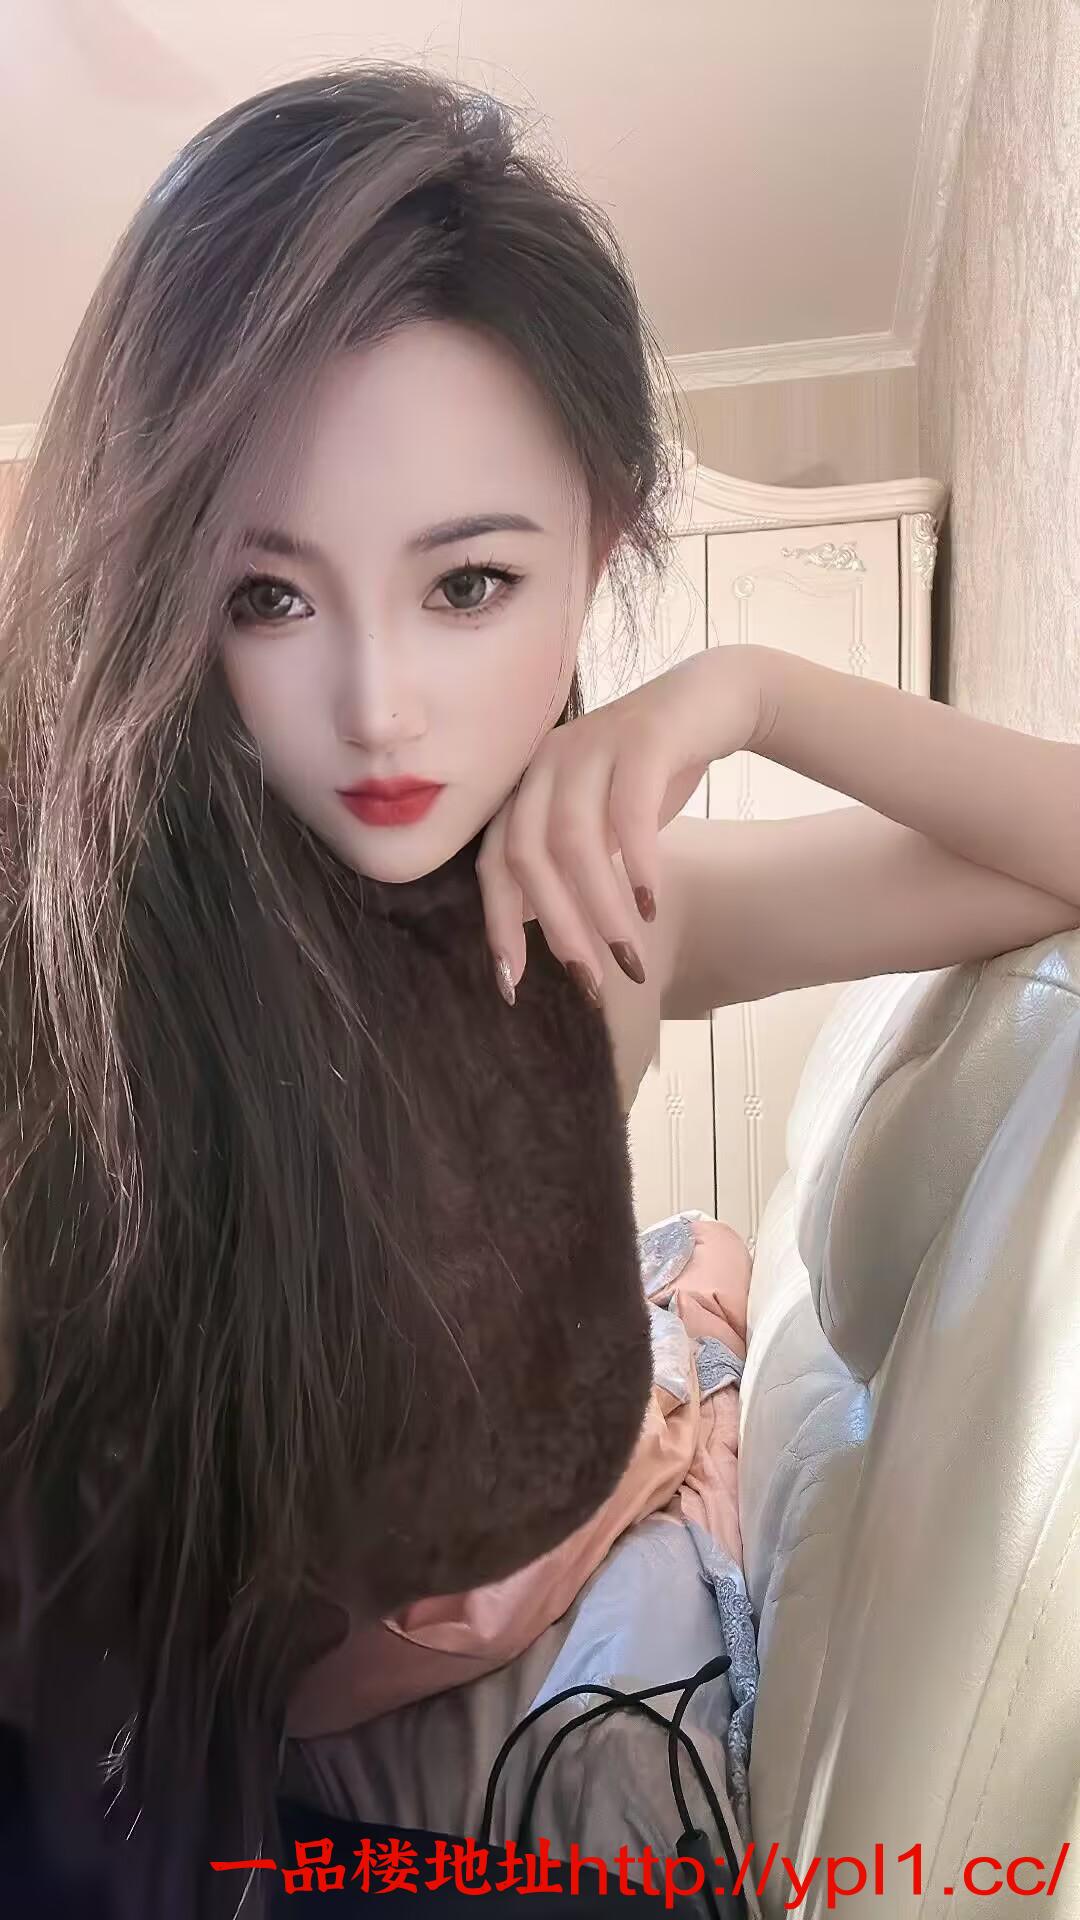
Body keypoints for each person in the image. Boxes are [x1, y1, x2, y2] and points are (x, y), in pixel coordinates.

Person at [0, 61, 1077, 1920]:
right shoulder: (83, 973)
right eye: (266, 598)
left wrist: (748, 694)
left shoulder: (587, 918)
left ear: (603, 542)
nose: (378, 710)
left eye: (471, 584)